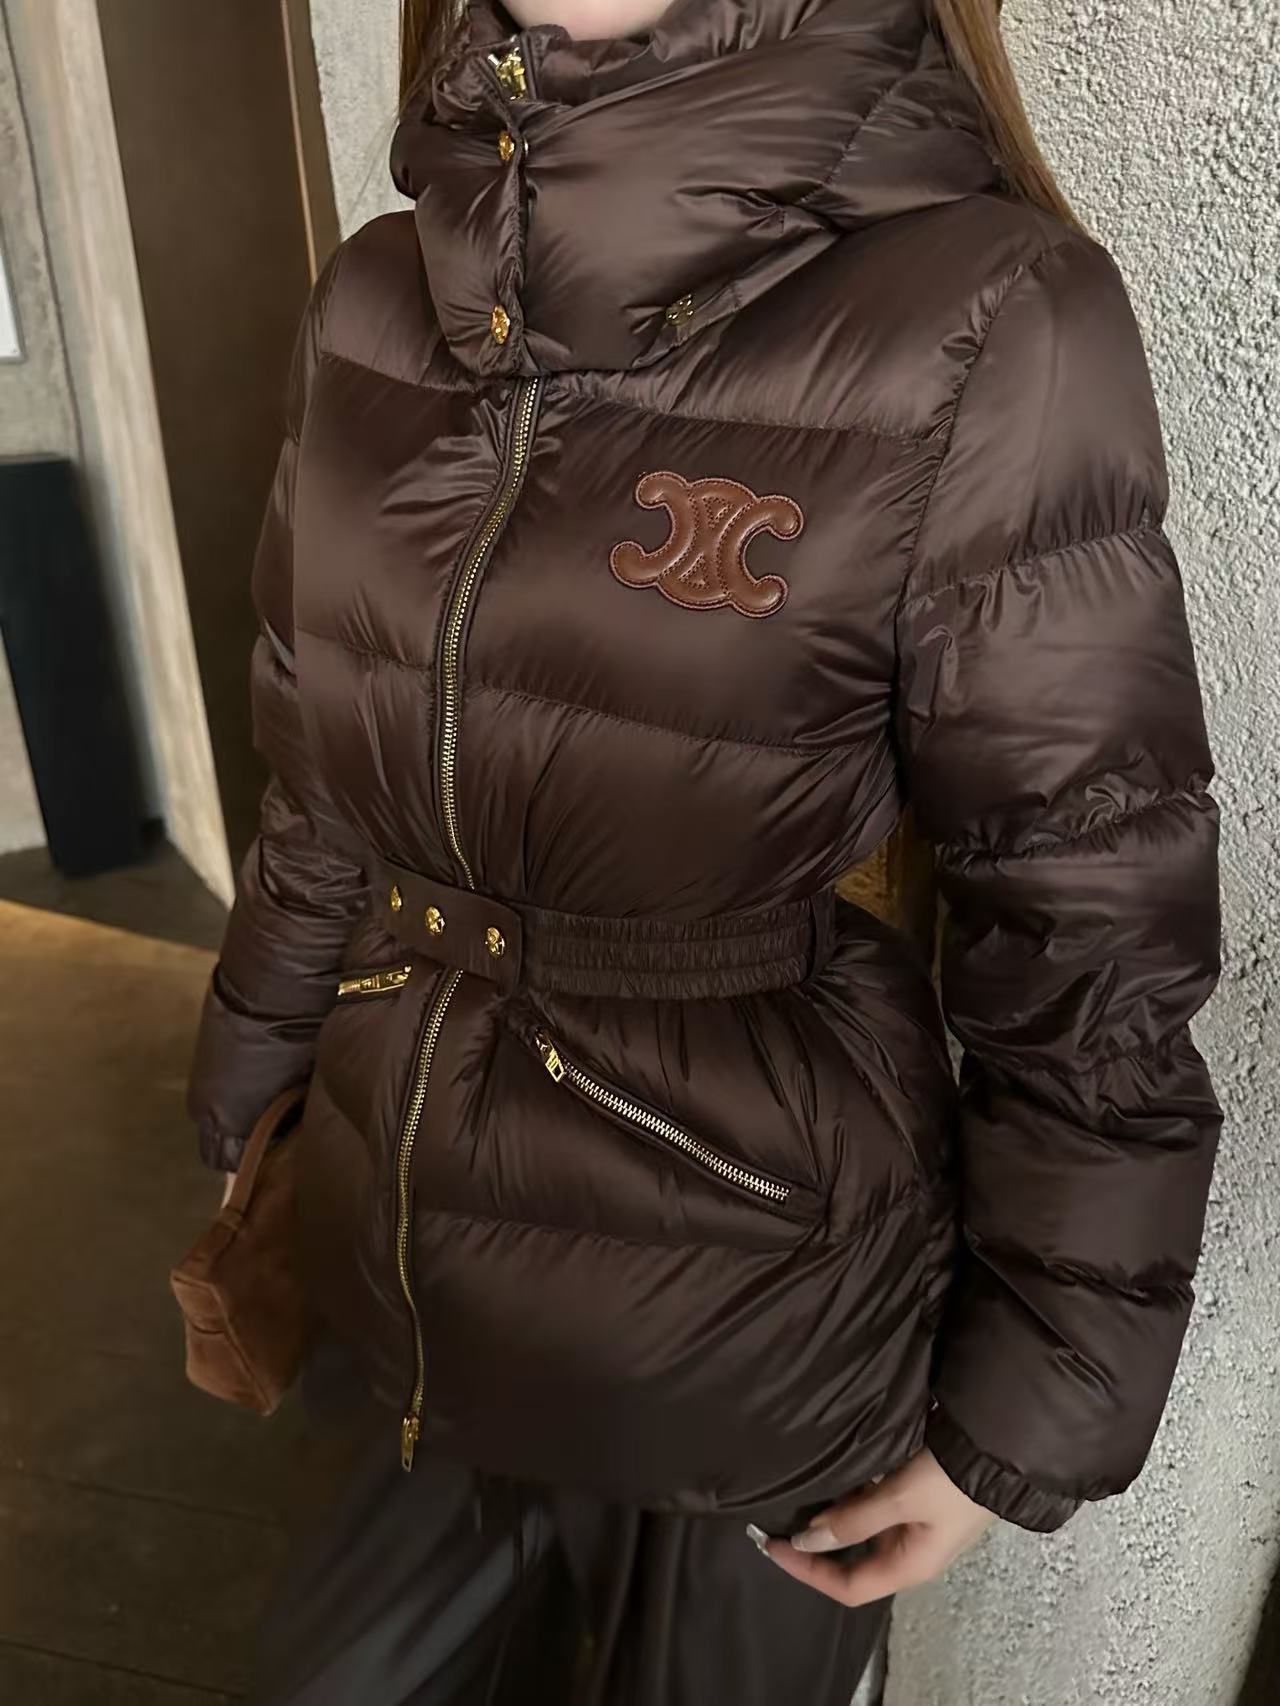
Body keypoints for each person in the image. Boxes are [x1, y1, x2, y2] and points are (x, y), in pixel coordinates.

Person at [187, 0, 1223, 1699]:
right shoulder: (373, 295)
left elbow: (1088, 916)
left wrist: (1035, 1396)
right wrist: (248, 1093)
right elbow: (317, 790)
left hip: (762, 1340)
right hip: (406, 1268)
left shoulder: (988, 315)